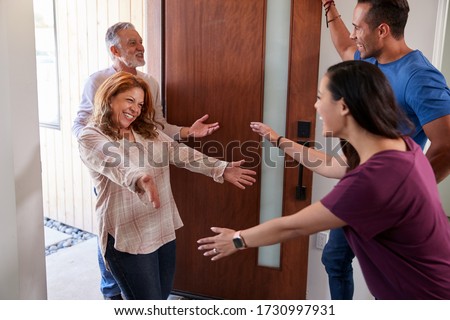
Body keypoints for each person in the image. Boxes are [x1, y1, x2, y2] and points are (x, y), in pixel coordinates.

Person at [198, 60, 450, 300]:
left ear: (344, 106)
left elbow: (294, 226)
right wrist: (277, 139)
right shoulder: (401, 147)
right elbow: (329, 164)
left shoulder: (372, 180)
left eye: (320, 97)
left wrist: (237, 239)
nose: (316, 106)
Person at [72, 22, 221, 300]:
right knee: (117, 242)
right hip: (112, 168)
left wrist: (188, 133)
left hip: (147, 176)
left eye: (140, 41)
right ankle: (113, 295)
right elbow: (82, 127)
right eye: (132, 43)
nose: (140, 47)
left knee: (153, 283)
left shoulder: (149, 83)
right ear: (115, 50)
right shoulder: (97, 81)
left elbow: (156, 127)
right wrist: (105, 152)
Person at [78, 71, 256, 300]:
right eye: (129, 100)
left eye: (140, 104)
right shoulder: (91, 136)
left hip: (162, 228)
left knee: (160, 299)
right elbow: (115, 162)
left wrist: (220, 168)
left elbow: (178, 152)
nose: (135, 108)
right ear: (110, 98)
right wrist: (140, 179)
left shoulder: (146, 131)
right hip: (127, 237)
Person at [318, 0, 450, 299]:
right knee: (335, 259)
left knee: (389, 277)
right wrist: (328, 6)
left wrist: (406, 193)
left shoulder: (420, 78)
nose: (353, 35)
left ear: (382, 30)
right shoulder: (370, 61)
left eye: (358, 27)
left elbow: (447, 146)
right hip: (362, 184)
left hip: (390, 195)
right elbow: (343, 47)